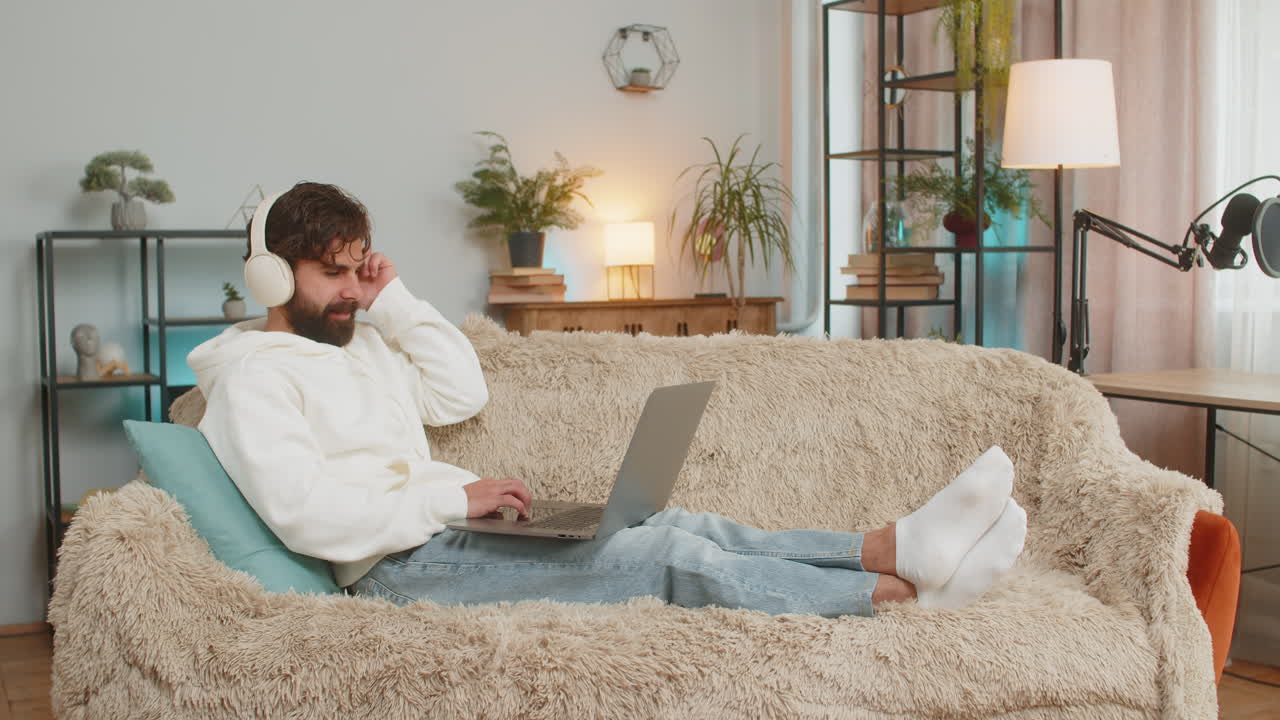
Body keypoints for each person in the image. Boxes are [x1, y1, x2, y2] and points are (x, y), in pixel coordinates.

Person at [190, 182, 1027, 618]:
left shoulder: (361, 341)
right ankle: (903, 603)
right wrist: (454, 500)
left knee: (683, 525)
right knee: (661, 559)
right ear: (271, 276)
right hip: (397, 571)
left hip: (447, 534)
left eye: (357, 268)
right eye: (330, 273)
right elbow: (307, 514)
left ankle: (892, 548)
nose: (349, 289)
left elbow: (458, 389)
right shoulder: (252, 379)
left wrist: (394, 299)